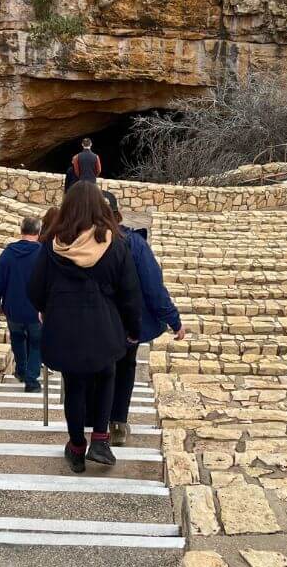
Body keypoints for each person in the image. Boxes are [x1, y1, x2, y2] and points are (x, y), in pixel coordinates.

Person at [28, 182, 141, 473]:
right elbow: (129, 292)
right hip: (105, 327)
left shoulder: (53, 246)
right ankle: (100, 440)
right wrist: (133, 328)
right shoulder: (115, 244)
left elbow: (35, 289)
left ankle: (77, 447)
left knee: (74, 386)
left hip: (65, 329)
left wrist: (47, 308)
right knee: (107, 376)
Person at [105, 197, 186, 446]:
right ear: (117, 215)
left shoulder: (76, 242)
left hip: (93, 321)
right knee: (125, 367)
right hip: (128, 322)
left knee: (99, 368)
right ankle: (117, 422)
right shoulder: (134, 244)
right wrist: (173, 320)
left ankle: (94, 420)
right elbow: (153, 286)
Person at [0, 216, 43, 393]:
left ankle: (21, 370)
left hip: (13, 308)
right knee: (36, 343)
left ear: (21, 230)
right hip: (37, 310)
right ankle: (32, 380)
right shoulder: (43, 254)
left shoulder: (9, 253)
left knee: (18, 339)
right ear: (38, 231)